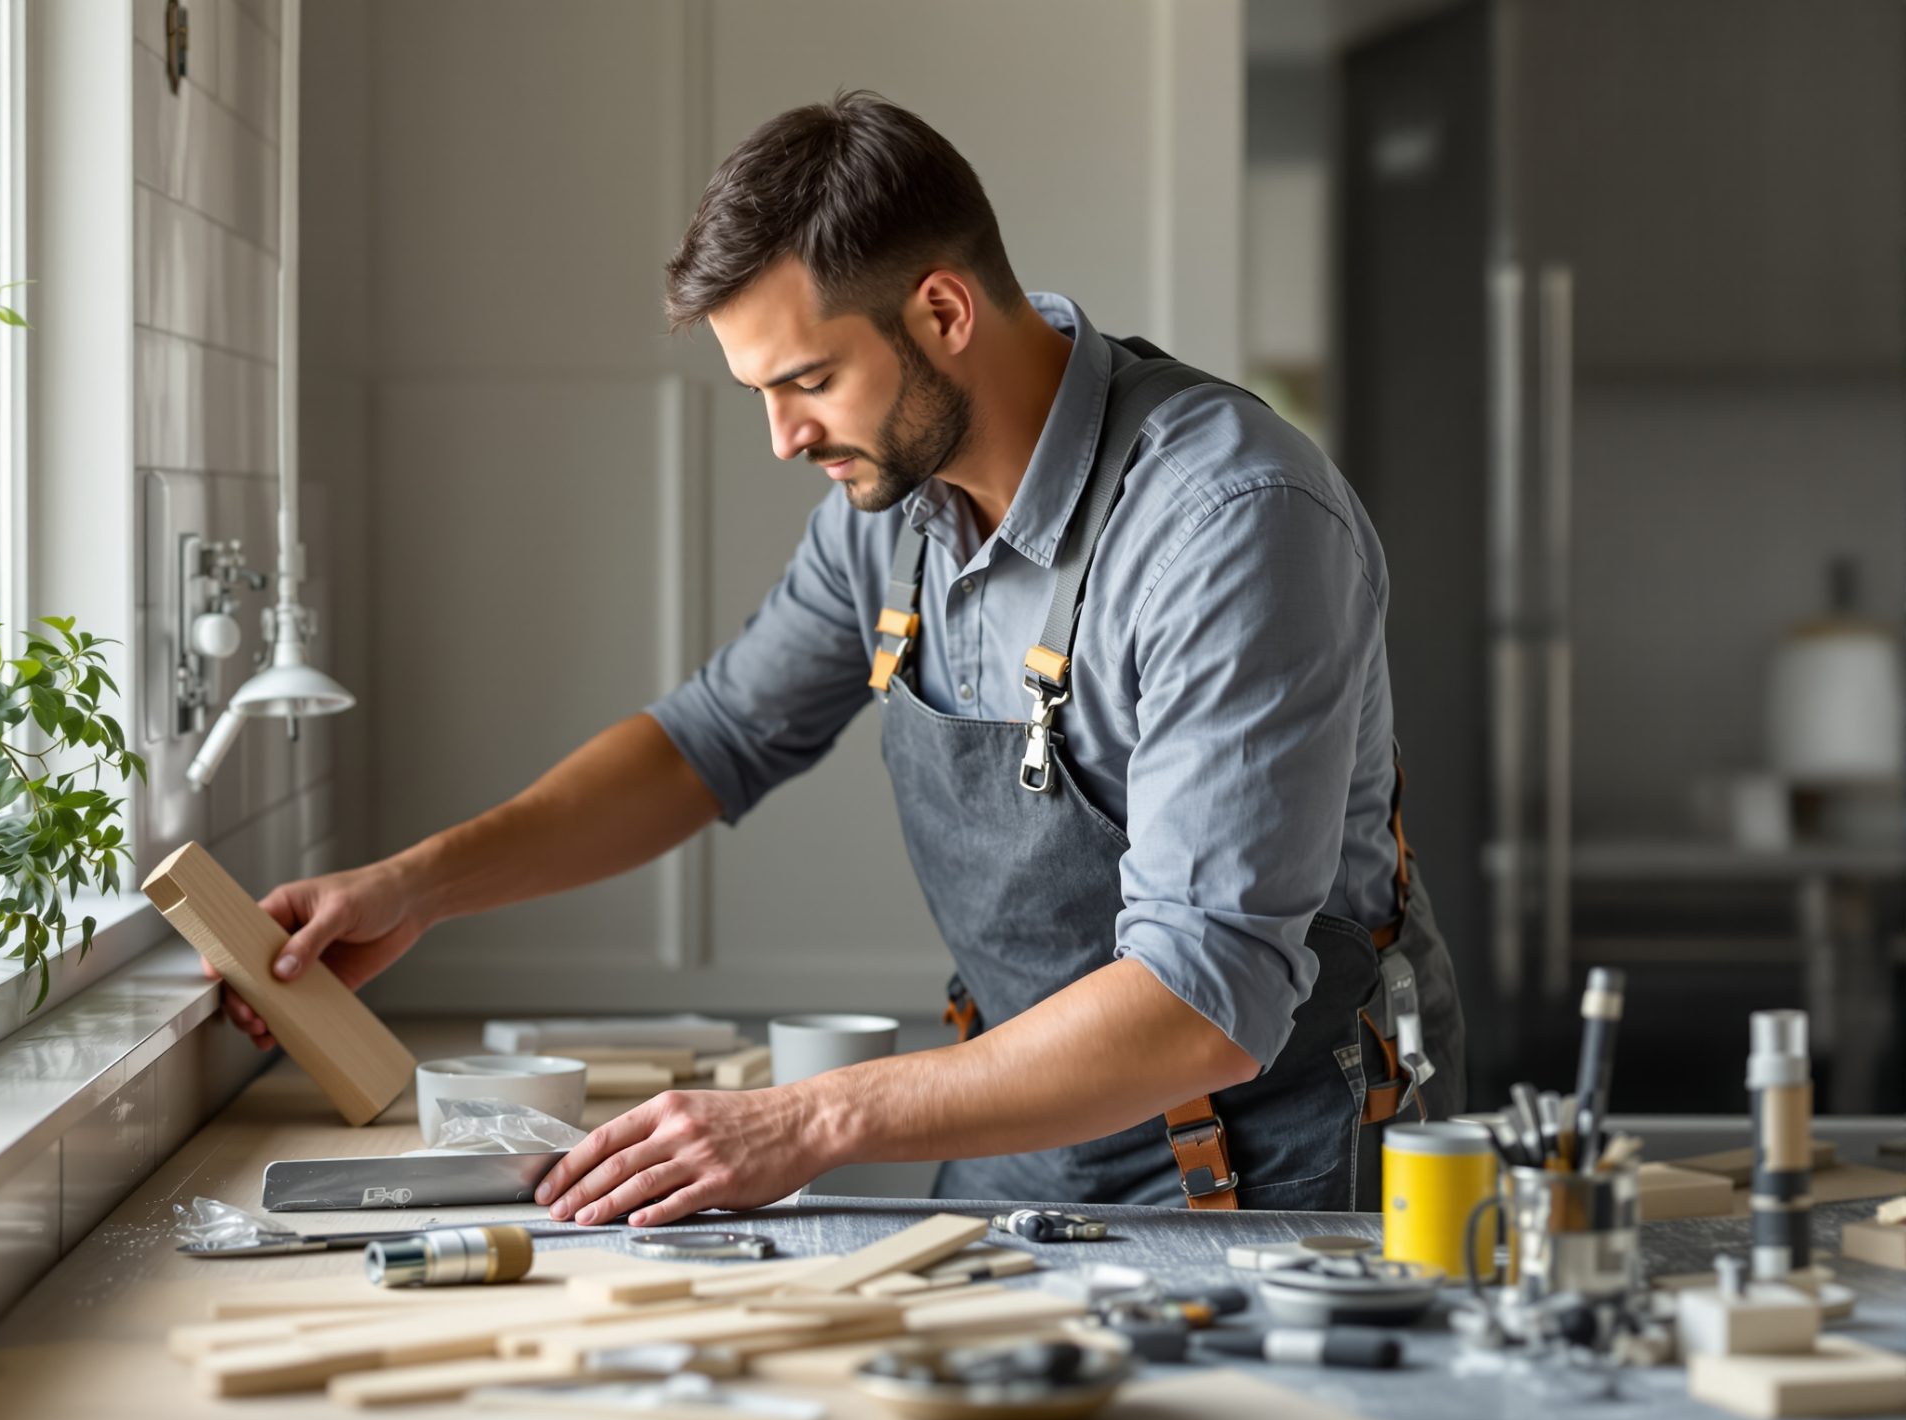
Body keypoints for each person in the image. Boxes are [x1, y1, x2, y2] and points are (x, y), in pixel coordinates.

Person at [210, 90, 1465, 1225]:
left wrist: (809, 1120)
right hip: (1025, 1142)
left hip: (1266, 1166)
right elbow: (709, 744)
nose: (780, 437)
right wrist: (418, 887)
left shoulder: (1226, 521)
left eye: (806, 380)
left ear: (941, 309)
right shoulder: (896, 512)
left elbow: (1205, 994)